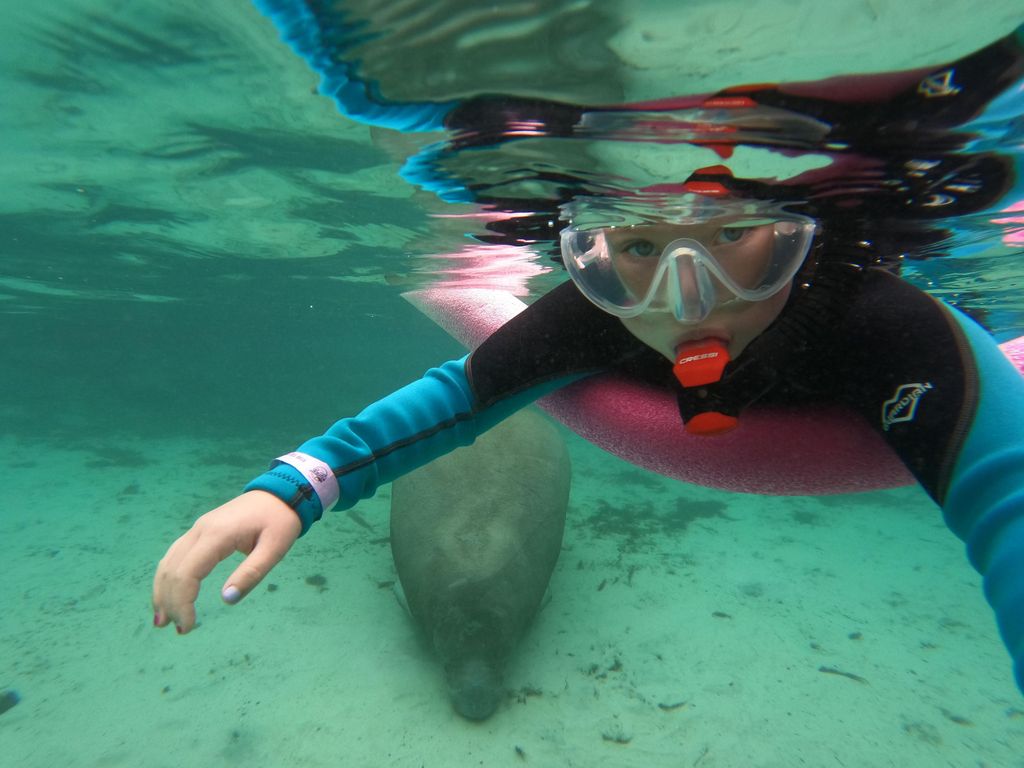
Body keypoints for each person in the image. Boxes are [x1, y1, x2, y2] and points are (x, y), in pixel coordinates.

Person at [152, 56, 1024, 696]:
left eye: (739, 243)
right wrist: (292, 488)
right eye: (637, 249)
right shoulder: (600, 315)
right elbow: (458, 399)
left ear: (805, 233)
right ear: (589, 254)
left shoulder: (889, 328)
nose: (688, 301)